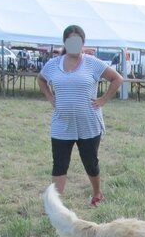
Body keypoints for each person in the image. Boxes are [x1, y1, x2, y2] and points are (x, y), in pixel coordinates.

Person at [38, 25, 123, 206]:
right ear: (65, 42)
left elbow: (117, 79)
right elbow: (41, 79)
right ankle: (56, 205)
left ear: (83, 43)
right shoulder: (53, 65)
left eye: (78, 41)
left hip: (89, 124)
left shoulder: (93, 63)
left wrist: (103, 99)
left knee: (90, 162)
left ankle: (97, 193)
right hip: (62, 124)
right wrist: (50, 96)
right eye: (71, 41)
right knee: (59, 164)